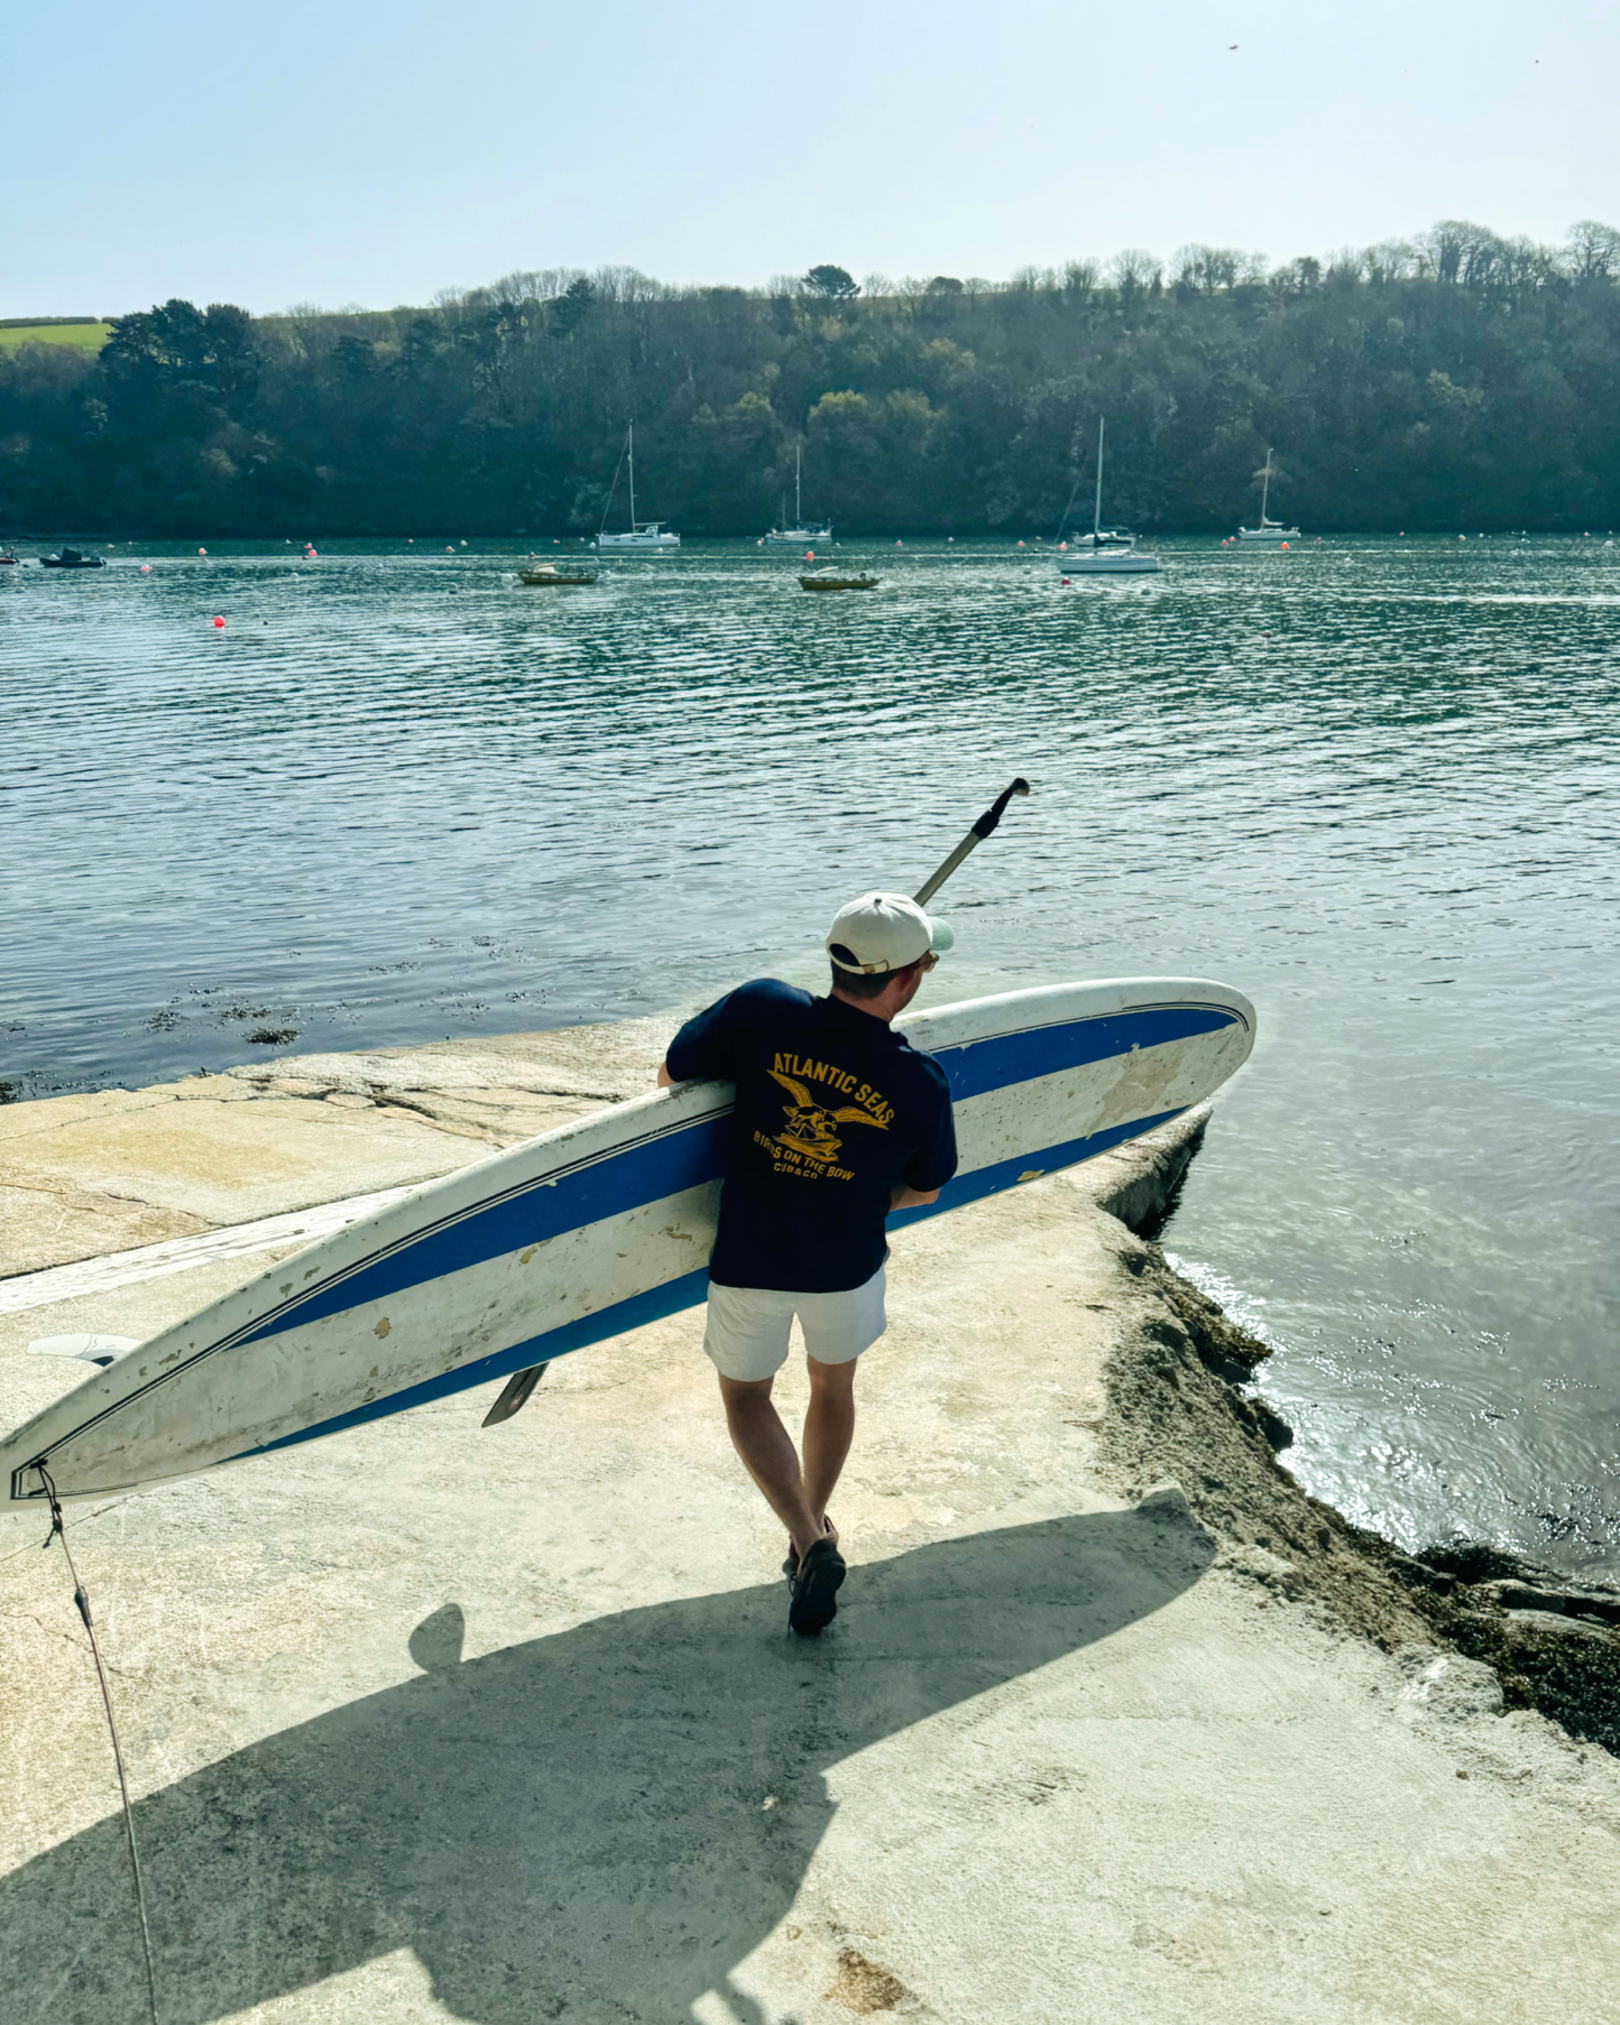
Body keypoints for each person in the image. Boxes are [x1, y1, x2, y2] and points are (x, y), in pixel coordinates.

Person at [658, 893, 958, 1635]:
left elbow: (671, 1076)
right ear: (907, 981)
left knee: (746, 1398)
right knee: (832, 1387)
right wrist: (856, 1198)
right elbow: (925, 1186)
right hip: (845, 1263)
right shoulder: (919, 1080)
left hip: (750, 1253)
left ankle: (806, 1534)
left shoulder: (761, 1008)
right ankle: (812, 1528)